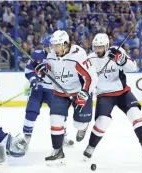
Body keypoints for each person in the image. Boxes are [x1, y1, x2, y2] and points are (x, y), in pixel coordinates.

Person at [83, 33, 142, 161]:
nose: (98, 50)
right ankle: (90, 147)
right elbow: (84, 76)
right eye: (96, 47)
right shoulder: (90, 59)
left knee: (135, 113)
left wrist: (122, 60)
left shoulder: (117, 51)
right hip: (104, 94)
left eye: (101, 47)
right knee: (103, 121)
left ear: (107, 46)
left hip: (122, 92)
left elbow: (134, 67)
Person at [35, 30, 97, 164]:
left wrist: (85, 93)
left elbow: (91, 77)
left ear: (65, 44)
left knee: (78, 124)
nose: (53, 48)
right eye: (53, 45)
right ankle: (57, 151)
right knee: (55, 120)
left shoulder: (78, 55)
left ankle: (83, 127)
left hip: (79, 92)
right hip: (60, 93)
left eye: (57, 45)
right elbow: (51, 73)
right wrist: (43, 71)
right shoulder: (52, 55)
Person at [20, 37, 74, 153]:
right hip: (38, 88)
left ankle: (63, 135)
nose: (51, 49)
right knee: (31, 110)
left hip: (53, 90)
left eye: (53, 46)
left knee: (60, 112)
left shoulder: (62, 56)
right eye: (48, 47)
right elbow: (28, 70)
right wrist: (33, 80)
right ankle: (26, 138)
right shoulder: (36, 55)